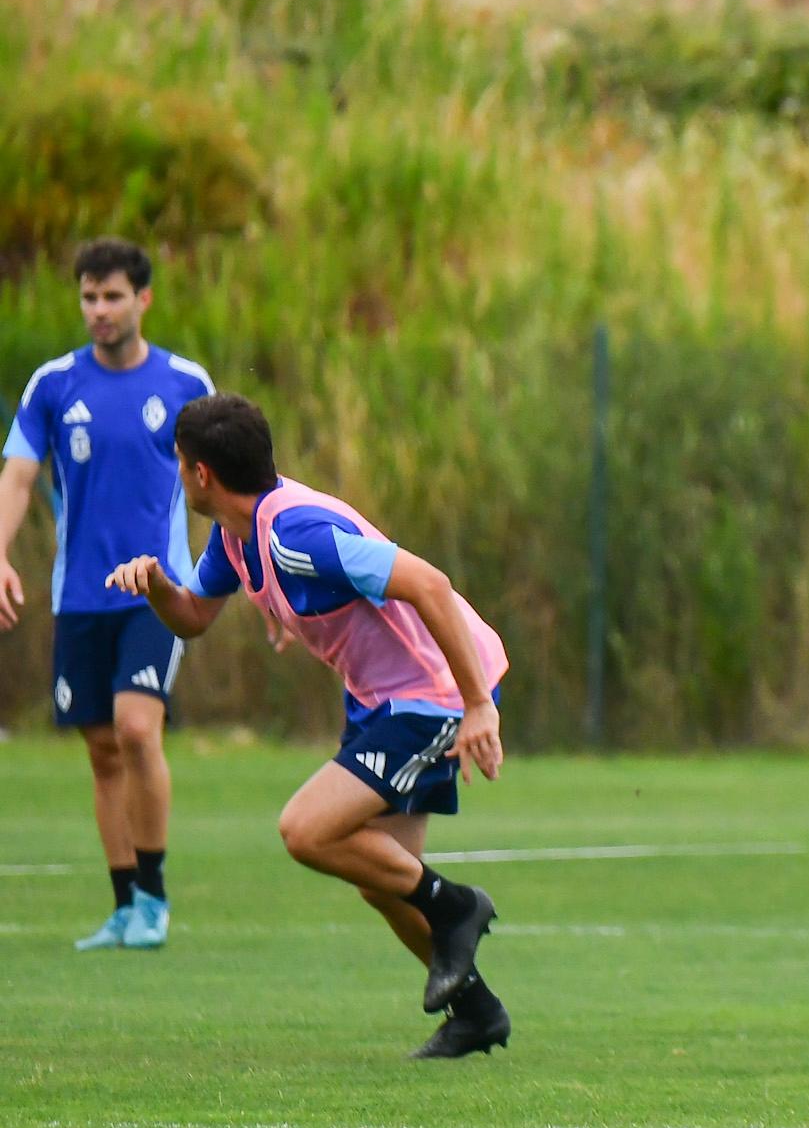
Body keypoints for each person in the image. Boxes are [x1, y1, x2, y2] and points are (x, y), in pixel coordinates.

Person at [106, 393, 512, 1059]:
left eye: (181, 464)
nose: (179, 476)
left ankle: (456, 906)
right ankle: (476, 1010)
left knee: (305, 828)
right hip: (384, 699)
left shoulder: (297, 536)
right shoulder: (239, 538)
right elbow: (195, 618)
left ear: (202, 474)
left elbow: (431, 585)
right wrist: (153, 583)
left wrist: (477, 705)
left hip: (433, 693)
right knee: (379, 875)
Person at [0, 238, 214, 951]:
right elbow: (19, 477)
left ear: (143, 299)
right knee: (101, 749)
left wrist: (261, 577)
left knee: (135, 728)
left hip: (156, 592)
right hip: (80, 597)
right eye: (89, 296)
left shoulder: (185, 384)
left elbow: (232, 485)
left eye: (113, 295)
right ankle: (125, 904)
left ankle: (154, 898)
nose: (99, 309)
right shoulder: (54, 385)